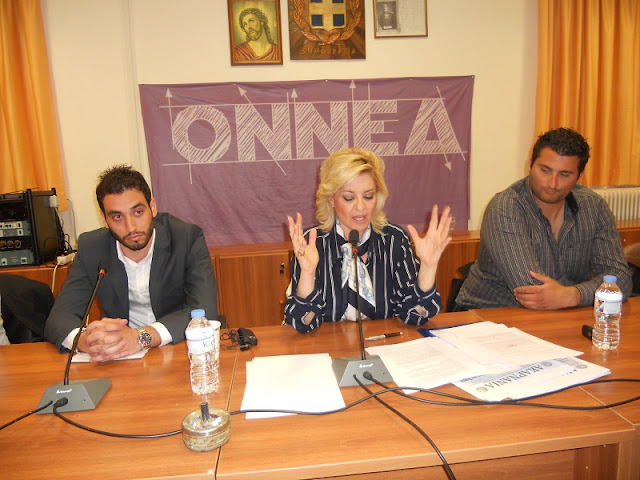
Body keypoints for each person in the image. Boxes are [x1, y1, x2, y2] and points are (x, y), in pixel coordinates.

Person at [45, 165, 218, 361]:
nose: (131, 227)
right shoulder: (92, 247)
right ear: (104, 219)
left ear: (153, 207)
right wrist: (86, 341)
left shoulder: (186, 238)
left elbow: (205, 311)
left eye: (138, 212)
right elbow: (59, 318)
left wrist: (140, 337)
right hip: (119, 357)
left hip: (178, 350)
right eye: (117, 217)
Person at [455, 127, 632, 311]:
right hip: (489, 314)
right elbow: (532, 291)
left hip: (566, 312)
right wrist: (582, 294)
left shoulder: (594, 206)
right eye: (545, 170)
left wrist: (573, 295)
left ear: (579, 176)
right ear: (530, 164)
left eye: (564, 174)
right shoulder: (505, 208)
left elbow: (621, 279)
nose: (552, 183)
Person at [284, 148, 452, 333]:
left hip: (383, 344)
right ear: (331, 199)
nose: (360, 207)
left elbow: (414, 315)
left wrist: (428, 267)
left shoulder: (394, 241)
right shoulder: (311, 244)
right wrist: (308, 273)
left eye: (368, 196)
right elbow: (304, 323)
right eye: (349, 198)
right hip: (329, 347)